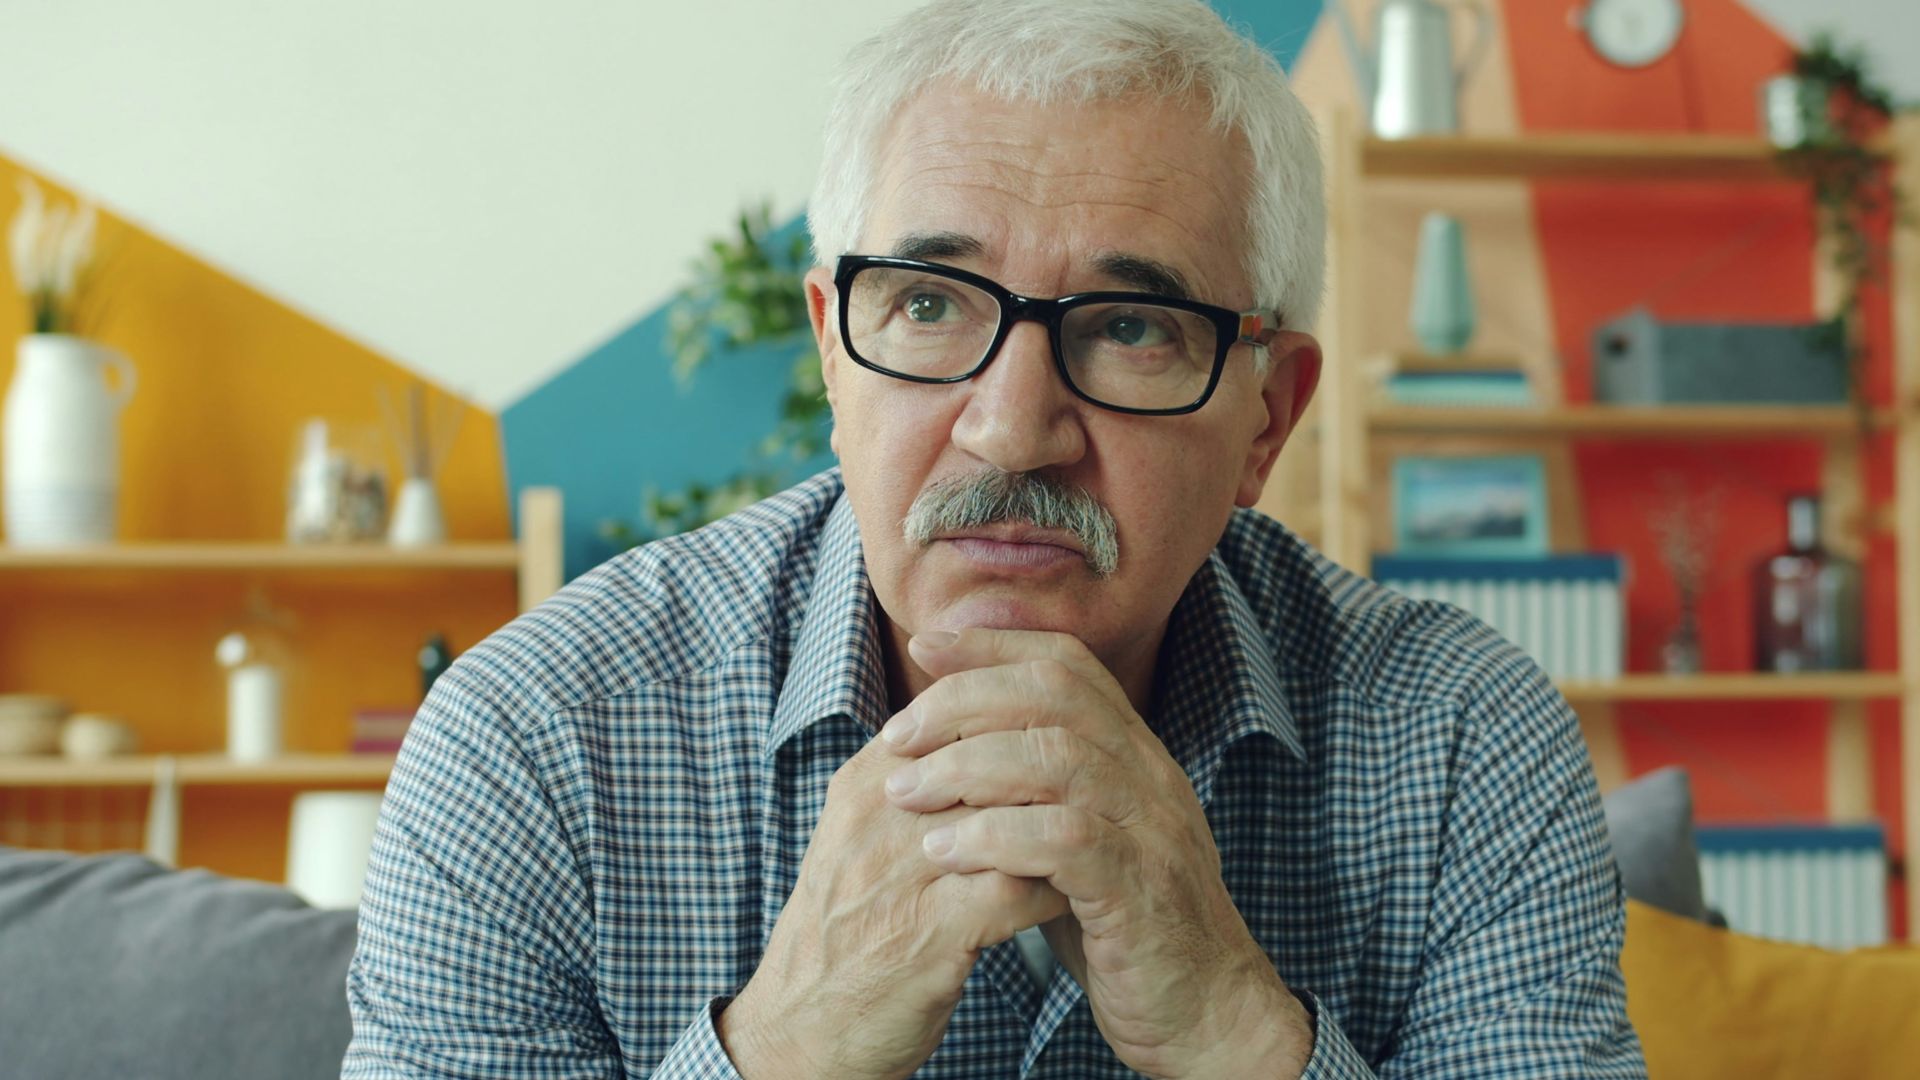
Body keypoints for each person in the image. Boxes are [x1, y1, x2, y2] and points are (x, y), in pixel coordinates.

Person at [343, 1, 1646, 1076]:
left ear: (1268, 418)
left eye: (1132, 328)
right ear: (833, 359)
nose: (1014, 430)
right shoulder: (530, 743)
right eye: (926, 304)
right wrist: (785, 1046)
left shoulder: (1467, 740)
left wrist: (1234, 1027)